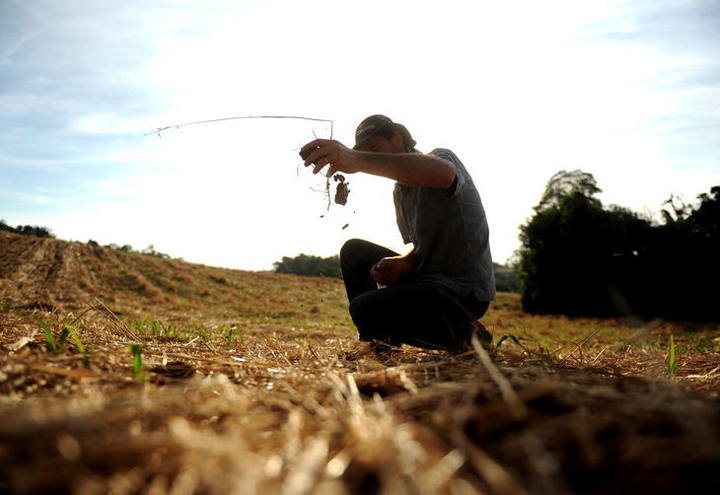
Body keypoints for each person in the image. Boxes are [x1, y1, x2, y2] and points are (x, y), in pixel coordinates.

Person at [300, 115, 495, 352]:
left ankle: (467, 337)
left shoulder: (439, 157)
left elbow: (444, 175)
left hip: (463, 290)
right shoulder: (401, 192)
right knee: (354, 251)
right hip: (429, 279)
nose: (370, 156)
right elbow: (420, 247)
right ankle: (384, 344)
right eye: (364, 151)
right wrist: (403, 262)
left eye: (374, 148)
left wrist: (357, 159)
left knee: (364, 309)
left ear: (398, 138)